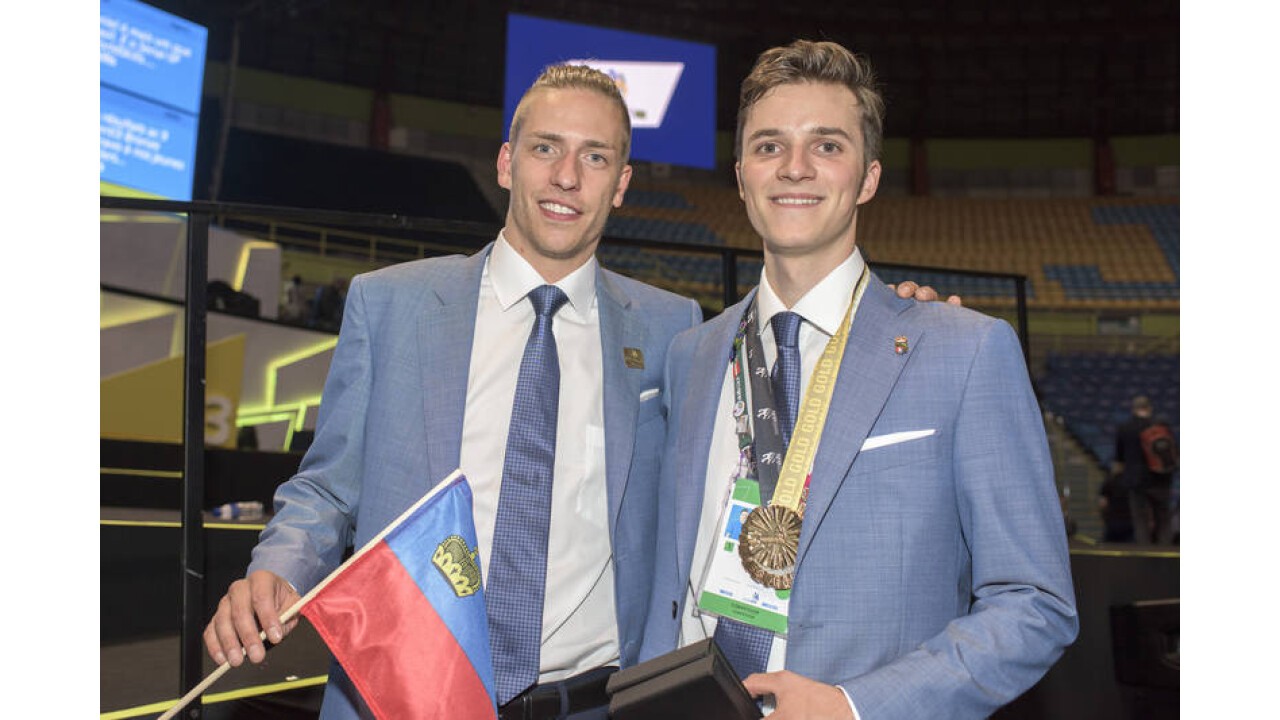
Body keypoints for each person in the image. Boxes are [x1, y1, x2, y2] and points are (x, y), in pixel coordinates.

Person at [204, 63, 950, 720]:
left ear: (621, 184)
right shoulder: (391, 304)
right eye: (545, 149)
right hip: (406, 695)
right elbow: (328, 491)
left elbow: (791, 384)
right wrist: (275, 570)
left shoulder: (675, 333)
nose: (567, 176)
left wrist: (893, 320)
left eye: (595, 157)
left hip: (593, 703)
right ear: (505, 162)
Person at [638, 40, 1078, 719]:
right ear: (740, 174)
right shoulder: (691, 354)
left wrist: (855, 707)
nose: (794, 168)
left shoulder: (964, 351)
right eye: (768, 146)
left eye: (827, 146)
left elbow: (1034, 602)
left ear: (868, 178)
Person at [1111, 395, 1176, 544]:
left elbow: (1119, 458)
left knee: (1141, 520)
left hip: (1136, 480)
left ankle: (1144, 553)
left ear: (1134, 409)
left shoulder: (1125, 428)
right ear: (1149, 408)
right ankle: (1165, 552)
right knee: (1163, 518)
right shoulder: (1161, 427)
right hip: (1161, 479)